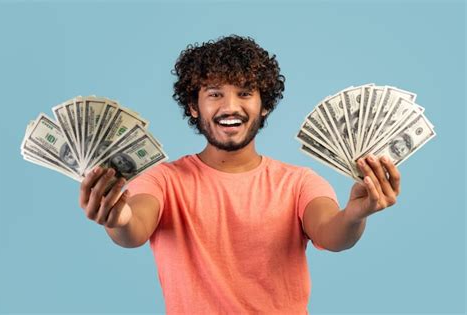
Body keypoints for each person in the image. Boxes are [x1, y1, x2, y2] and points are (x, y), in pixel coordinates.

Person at [78, 35, 401, 314]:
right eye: (214, 93)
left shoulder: (300, 182)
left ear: (264, 106)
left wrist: (356, 215)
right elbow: (134, 229)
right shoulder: (164, 180)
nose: (230, 106)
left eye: (245, 93)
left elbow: (332, 234)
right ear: (194, 106)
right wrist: (116, 218)